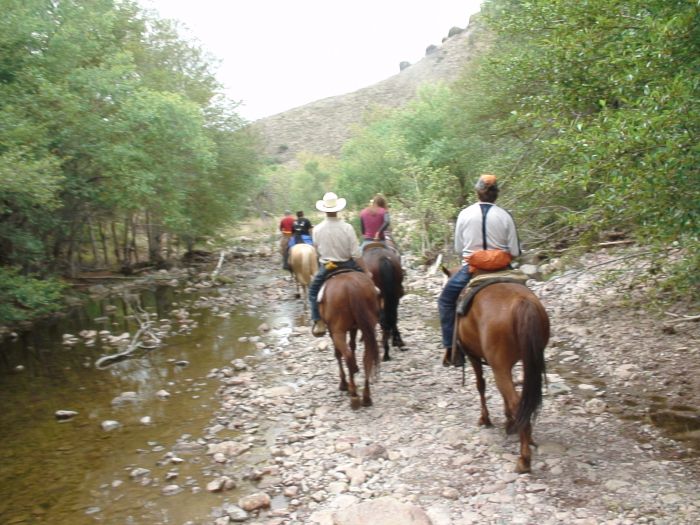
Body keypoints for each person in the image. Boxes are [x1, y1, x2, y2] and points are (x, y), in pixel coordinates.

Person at [437, 174, 521, 361]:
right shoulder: (505, 216)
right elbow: (514, 251)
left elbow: (460, 249)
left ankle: (452, 348)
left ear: (477, 193)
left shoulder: (465, 214)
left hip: (473, 269)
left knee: (445, 301)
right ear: (496, 195)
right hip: (502, 268)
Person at [308, 191, 366, 337]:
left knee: (313, 291)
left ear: (324, 210)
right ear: (338, 209)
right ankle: (376, 312)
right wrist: (366, 271)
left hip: (328, 267)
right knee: (371, 285)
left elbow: (316, 252)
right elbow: (356, 253)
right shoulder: (347, 227)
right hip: (348, 264)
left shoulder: (317, 229)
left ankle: (318, 322)